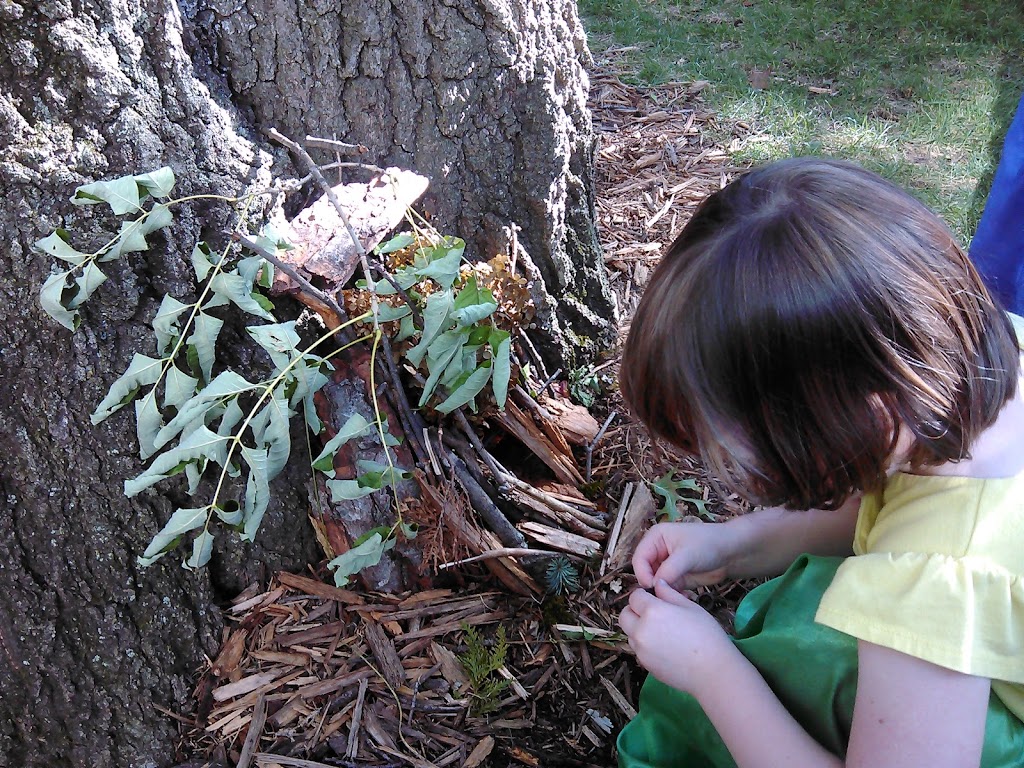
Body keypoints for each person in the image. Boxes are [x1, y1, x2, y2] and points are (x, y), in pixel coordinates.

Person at [615, 157, 1024, 768]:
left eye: (750, 457)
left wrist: (711, 672)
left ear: (864, 419)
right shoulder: (968, 372)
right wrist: (733, 544)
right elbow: (880, 500)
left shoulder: (935, 587)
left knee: (819, 663)